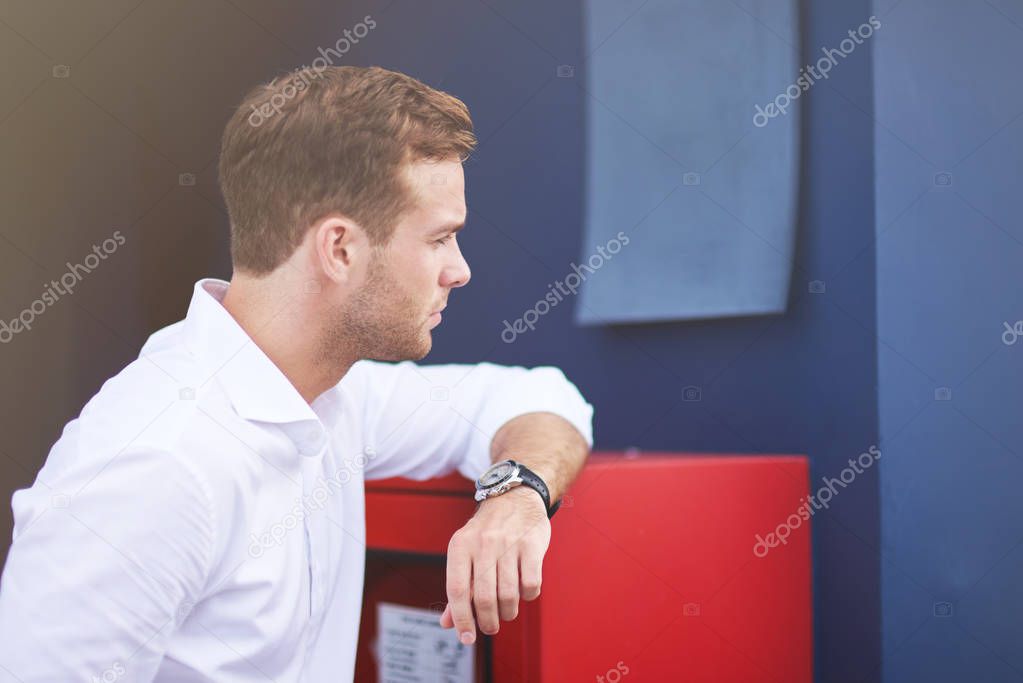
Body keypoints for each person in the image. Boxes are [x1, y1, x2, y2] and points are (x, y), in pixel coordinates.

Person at [0, 65, 593, 682]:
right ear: (339, 249)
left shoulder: (335, 395)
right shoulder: (155, 464)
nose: (460, 269)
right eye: (440, 238)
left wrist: (515, 492)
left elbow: (541, 396)